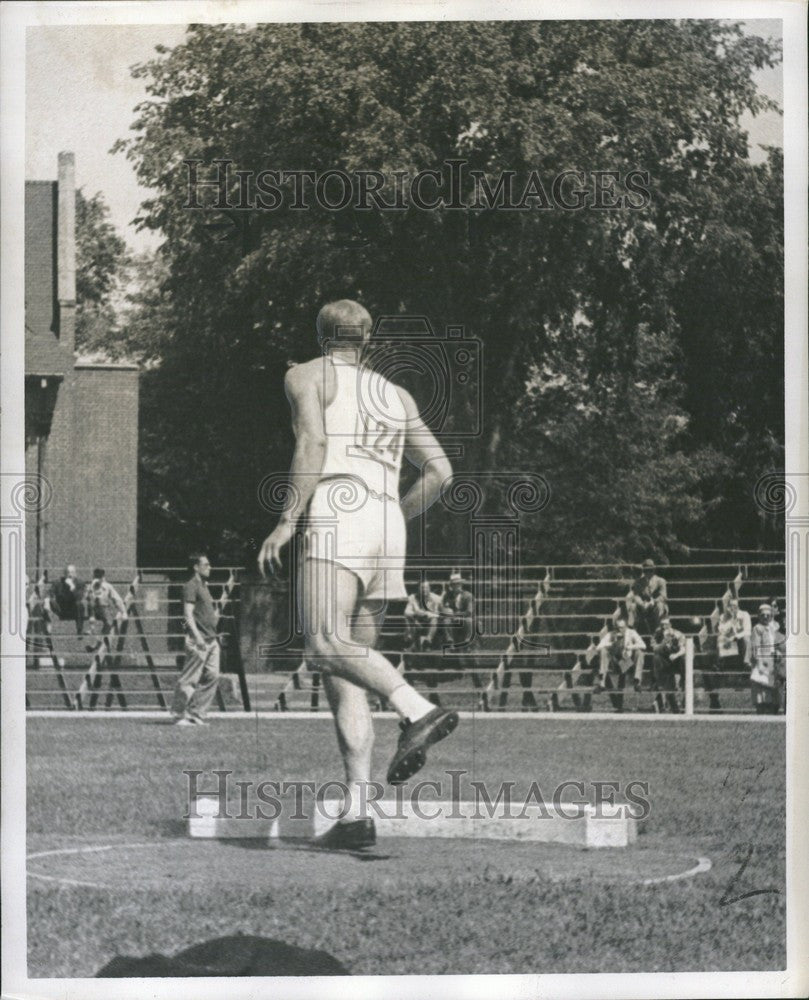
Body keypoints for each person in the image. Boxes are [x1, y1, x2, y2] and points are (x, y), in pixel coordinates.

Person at [258, 299, 458, 851]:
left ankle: (417, 709)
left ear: (322, 335)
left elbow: (313, 442)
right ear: (366, 340)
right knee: (346, 675)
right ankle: (357, 814)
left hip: (336, 510)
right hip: (387, 522)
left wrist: (285, 521)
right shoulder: (396, 394)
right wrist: (395, 513)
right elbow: (440, 472)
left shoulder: (305, 374)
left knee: (323, 646)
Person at [171, 553, 222, 726]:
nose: (210, 567)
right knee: (189, 679)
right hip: (199, 640)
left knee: (212, 675)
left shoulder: (204, 586)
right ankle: (178, 715)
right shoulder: (191, 586)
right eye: (206, 565)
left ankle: (196, 713)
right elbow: (187, 615)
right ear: (196, 567)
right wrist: (197, 637)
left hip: (211, 639)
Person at [439, 570, 482, 689]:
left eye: (458, 584)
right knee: (446, 621)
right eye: (453, 585)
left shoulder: (468, 596)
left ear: (461, 585)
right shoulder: (448, 596)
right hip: (454, 621)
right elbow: (444, 608)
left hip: (465, 619)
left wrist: (456, 614)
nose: (456, 587)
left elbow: (469, 612)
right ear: (451, 586)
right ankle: (450, 642)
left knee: (469, 621)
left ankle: (469, 642)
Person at [593, 618, 646, 712]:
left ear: (626, 626)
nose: (620, 630)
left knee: (639, 653)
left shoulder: (632, 633)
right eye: (618, 627)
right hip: (615, 663)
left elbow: (643, 645)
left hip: (627, 663)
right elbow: (599, 646)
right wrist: (612, 644)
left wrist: (631, 646)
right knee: (604, 651)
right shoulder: (611, 634)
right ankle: (602, 683)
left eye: (622, 627)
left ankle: (637, 681)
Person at [403, 580, 443, 705]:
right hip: (418, 625)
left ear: (429, 589)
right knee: (410, 619)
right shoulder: (413, 598)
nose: (424, 591)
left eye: (426, 588)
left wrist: (428, 614)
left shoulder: (436, 599)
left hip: (433, 626)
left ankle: (428, 640)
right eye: (422, 588)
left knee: (434, 620)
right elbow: (407, 612)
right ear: (418, 590)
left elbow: (440, 613)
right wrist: (418, 613)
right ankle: (412, 639)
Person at [749, 603, 785, 715]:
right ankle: (762, 712)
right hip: (762, 661)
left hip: (771, 662)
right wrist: (759, 662)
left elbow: (772, 644)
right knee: (762, 687)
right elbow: (756, 646)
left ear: (771, 616)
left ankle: (771, 711)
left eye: (768, 615)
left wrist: (776, 652)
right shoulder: (757, 628)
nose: (765, 617)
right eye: (763, 615)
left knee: (770, 688)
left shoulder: (770, 628)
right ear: (759, 616)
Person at [84, 568, 127, 650]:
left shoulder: (107, 586)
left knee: (109, 623)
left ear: (103, 577)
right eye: (95, 577)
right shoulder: (91, 586)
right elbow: (87, 598)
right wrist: (90, 591)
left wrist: (123, 611)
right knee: (90, 605)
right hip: (93, 609)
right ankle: (91, 628)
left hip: (103, 608)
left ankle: (97, 644)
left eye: (99, 577)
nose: (97, 579)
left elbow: (116, 599)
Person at [651, 617, 685, 713]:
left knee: (682, 662)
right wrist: (664, 641)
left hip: (677, 660)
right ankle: (662, 702)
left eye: (666, 624)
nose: (664, 626)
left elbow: (683, 649)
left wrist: (676, 655)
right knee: (656, 658)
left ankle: (677, 703)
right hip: (663, 662)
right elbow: (655, 649)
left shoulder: (677, 634)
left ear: (670, 625)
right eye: (662, 624)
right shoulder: (657, 634)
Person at [626, 559, 668, 636]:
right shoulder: (638, 582)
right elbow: (636, 595)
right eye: (646, 571)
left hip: (655, 606)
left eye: (650, 570)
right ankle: (631, 630)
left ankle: (659, 631)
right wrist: (642, 604)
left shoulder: (661, 581)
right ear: (643, 571)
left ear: (653, 570)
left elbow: (663, 596)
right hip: (643, 607)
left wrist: (653, 601)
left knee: (660, 606)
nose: (648, 573)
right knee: (632, 606)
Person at [47, 564, 88, 635]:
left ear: (75, 574)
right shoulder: (58, 582)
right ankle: (48, 628)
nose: (70, 575)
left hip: (73, 610)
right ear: (64, 574)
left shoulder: (80, 583)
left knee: (80, 604)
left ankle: (79, 630)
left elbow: (79, 597)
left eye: (72, 572)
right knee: (49, 601)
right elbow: (51, 593)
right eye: (68, 572)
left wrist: (72, 587)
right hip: (61, 609)